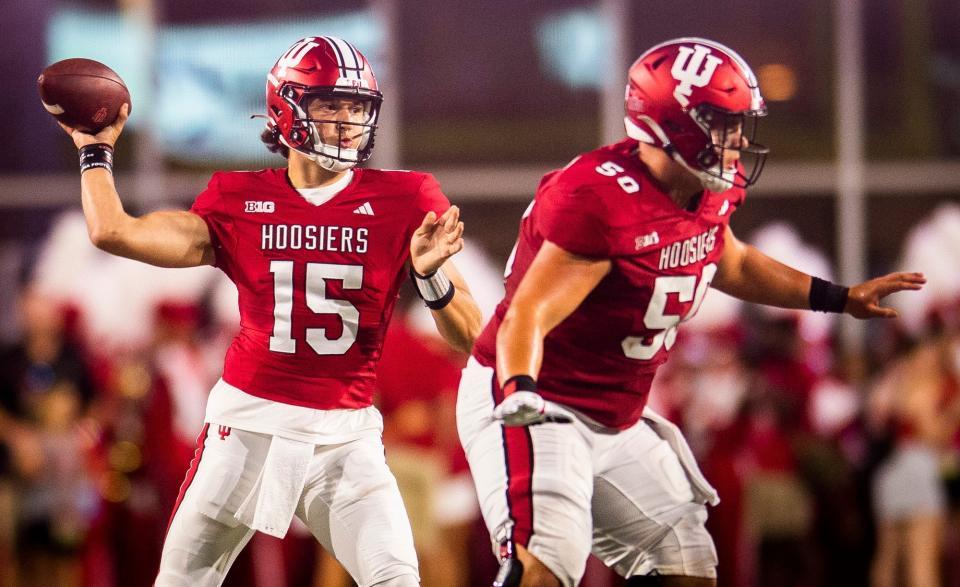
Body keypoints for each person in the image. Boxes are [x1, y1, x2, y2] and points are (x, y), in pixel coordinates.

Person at [456, 37, 926, 587]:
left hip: (616, 418)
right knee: (547, 562)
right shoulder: (602, 199)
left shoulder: (703, 192)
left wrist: (838, 298)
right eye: (723, 124)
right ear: (675, 123)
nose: (739, 141)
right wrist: (518, 394)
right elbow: (527, 314)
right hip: (541, 400)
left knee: (685, 558)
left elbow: (732, 262)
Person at [56, 36, 482, 587]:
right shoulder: (239, 200)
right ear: (288, 108)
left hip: (345, 439)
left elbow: (473, 338)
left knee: (397, 578)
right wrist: (95, 149)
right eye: (331, 104)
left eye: (358, 106)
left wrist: (430, 277)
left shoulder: (408, 199)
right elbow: (113, 230)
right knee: (181, 581)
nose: (348, 120)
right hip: (246, 430)